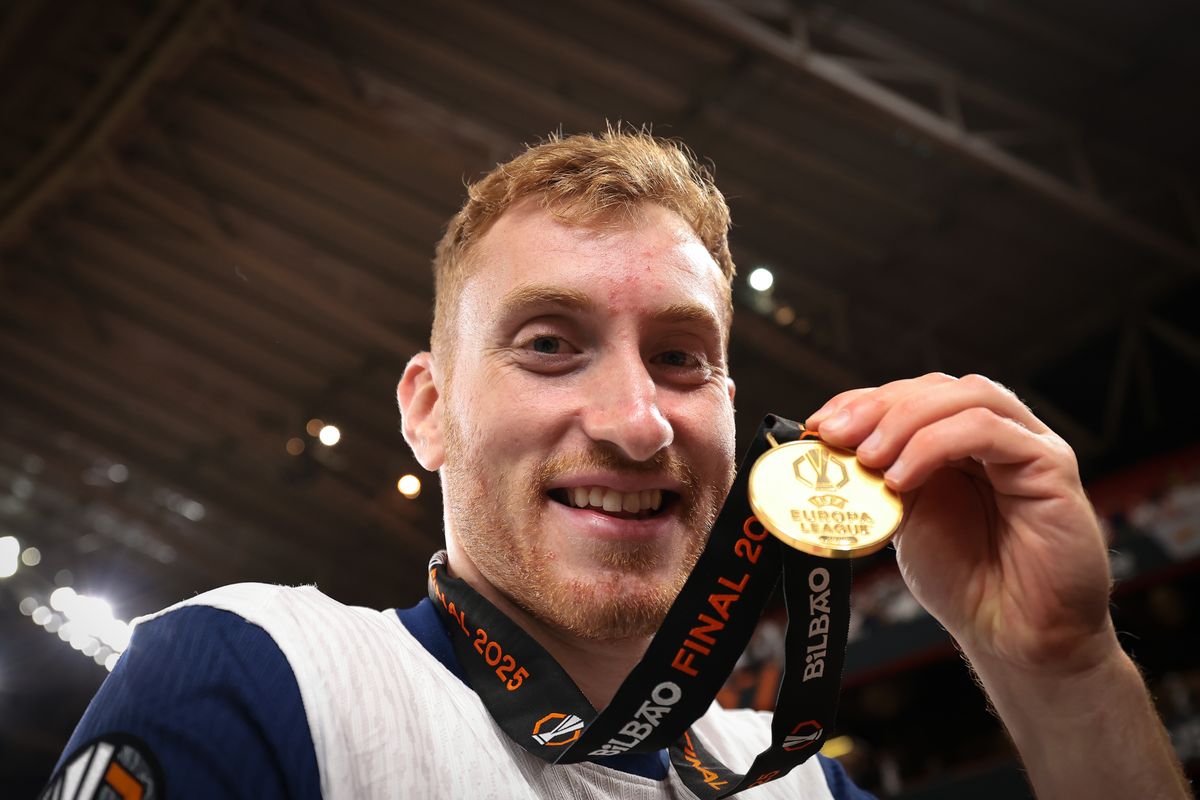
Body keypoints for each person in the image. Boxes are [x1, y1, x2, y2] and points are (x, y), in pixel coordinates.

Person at [43, 129, 1191, 800]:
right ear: (430, 408)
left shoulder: (799, 784)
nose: (639, 422)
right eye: (550, 344)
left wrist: (1064, 669)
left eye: (684, 357)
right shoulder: (261, 678)